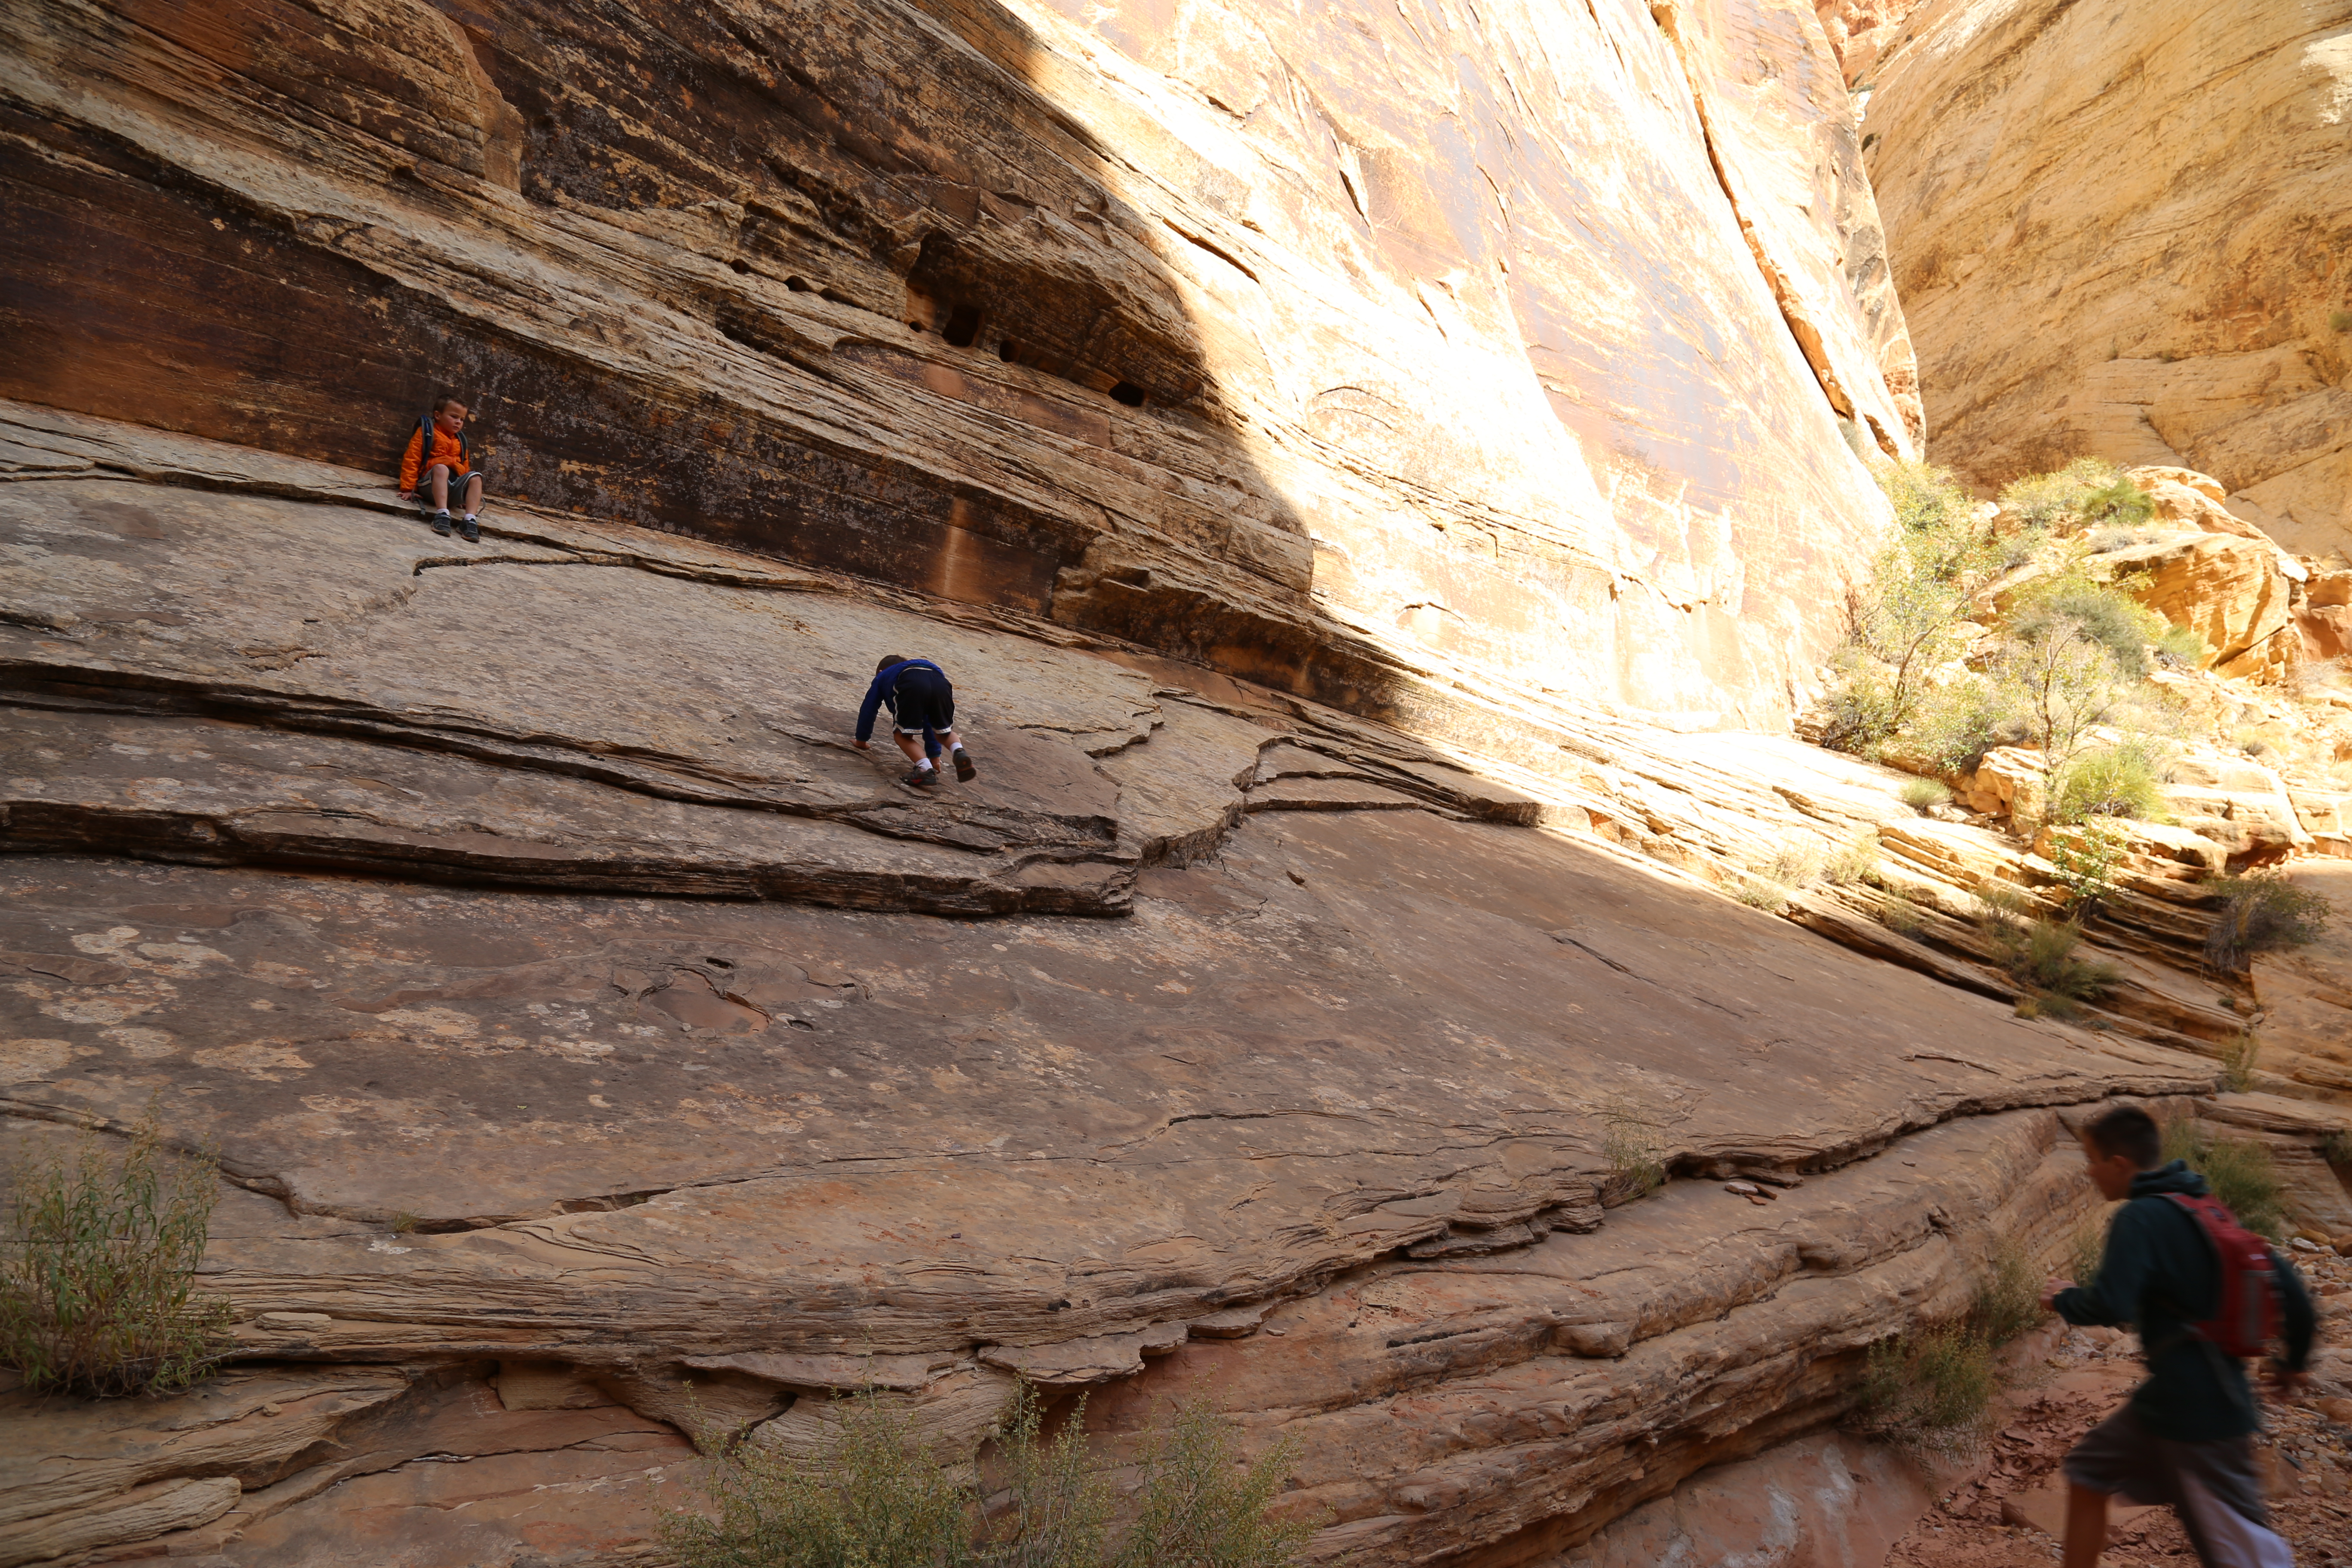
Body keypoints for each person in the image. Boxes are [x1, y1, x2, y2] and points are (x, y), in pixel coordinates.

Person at [2041, 1103, 2316, 1567]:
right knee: (2088, 1471)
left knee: (2243, 1555)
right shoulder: (2205, 1209)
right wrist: (2292, 1364)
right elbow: (2295, 1296)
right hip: (2169, 1400)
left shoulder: (2140, 1218)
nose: (2089, 1173)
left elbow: (2113, 1303)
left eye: (2092, 1160)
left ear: (2119, 1164)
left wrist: (2065, 1298)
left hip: (2199, 1416)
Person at [852, 655, 977, 788]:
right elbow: (929, 722)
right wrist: (935, 757)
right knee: (943, 731)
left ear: (880, 672)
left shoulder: (884, 677)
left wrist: (861, 740)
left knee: (902, 735)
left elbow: (869, 709)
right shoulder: (926, 669)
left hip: (912, 686)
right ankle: (958, 750)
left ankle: (925, 770)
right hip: (942, 685)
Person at [398, 397, 487, 542]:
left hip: (450, 490)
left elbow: (465, 470)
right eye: (454, 417)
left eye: (462, 419)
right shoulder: (427, 433)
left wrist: (463, 496)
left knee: (476, 477)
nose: (459, 422)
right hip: (429, 486)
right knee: (441, 468)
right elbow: (412, 459)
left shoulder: (461, 441)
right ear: (438, 415)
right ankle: (442, 515)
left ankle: (469, 520)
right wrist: (408, 488)